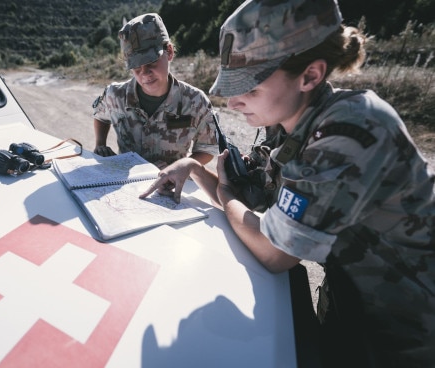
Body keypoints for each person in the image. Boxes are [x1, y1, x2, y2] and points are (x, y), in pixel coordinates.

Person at [140, 0, 435, 367]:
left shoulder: (351, 130)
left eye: (250, 87)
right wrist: (195, 169)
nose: (232, 102)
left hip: (407, 331)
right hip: (354, 302)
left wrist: (227, 193)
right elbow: (253, 207)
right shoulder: (290, 127)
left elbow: (274, 250)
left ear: (310, 75)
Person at [92, 13, 218, 169]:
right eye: (136, 66)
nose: (144, 73)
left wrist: (178, 169)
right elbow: (101, 116)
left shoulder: (195, 101)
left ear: (169, 51)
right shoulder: (115, 95)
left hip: (169, 187)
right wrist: (100, 145)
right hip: (126, 184)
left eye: (151, 61)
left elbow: (207, 149)